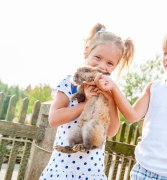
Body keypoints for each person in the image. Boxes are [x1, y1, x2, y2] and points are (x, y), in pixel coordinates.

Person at [93, 25, 167, 179]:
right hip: (141, 171)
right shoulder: (154, 88)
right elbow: (132, 116)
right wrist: (114, 88)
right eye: (165, 52)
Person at [40, 23, 135, 180]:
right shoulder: (69, 83)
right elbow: (53, 119)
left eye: (110, 63)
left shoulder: (109, 92)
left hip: (91, 173)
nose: (102, 66)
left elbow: (111, 131)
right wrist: (85, 104)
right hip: (61, 171)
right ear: (86, 52)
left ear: (115, 66)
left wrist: (110, 98)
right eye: (97, 58)